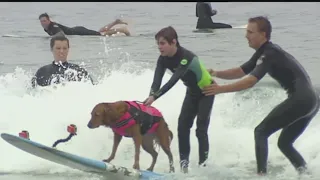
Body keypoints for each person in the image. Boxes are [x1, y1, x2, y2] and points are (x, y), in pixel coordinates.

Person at [202, 16, 320, 175]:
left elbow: (249, 81)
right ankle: (306, 175)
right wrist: (216, 72)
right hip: (312, 101)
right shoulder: (266, 52)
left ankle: (261, 176)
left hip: (301, 99)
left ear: (263, 34)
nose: (246, 36)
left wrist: (219, 89)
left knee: (261, 132)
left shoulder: (268, 54)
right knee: (284, 143)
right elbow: (241, 71)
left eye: (250, 32)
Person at [143, 26, 215, 173]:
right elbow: (157, 80)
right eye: (158, 43)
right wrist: (151, 94)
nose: (159, 47)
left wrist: (155, 97)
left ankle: (204, 166)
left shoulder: (186, 57)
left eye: (162, 43)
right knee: (182, 128)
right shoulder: (163, 59)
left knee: (200, 130)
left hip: (207, 91)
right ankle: (184, 168)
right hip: (192, 93)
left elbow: (173, 80)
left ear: (173, 42)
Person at [38, 13, 130, 37]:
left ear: (49, 20)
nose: (43, 23)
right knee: (99, 32)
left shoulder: (53, 27)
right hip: (76, 30)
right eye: (41, 21)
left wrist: (52, 38)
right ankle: (115, 22)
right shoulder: (47, 28)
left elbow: (61, 34)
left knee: (101, 35)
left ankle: (122, 30)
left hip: (79, 32)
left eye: (44, 21)